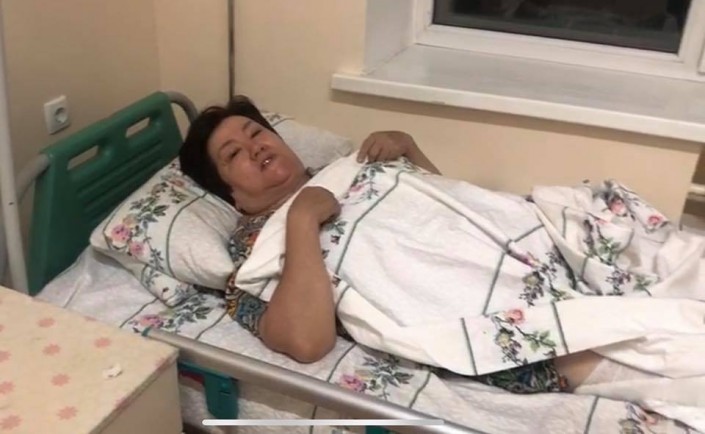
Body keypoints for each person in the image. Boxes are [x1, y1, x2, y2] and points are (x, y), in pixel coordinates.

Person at [180, 96, 603, 394]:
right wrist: (301, 220)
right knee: (597, 344)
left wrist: (409, 149)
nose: (254, 147)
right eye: (233, 154)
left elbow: (451, 210)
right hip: (480, 308)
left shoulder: (348, 166)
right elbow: (305, 342)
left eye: (256, 132)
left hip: (531, 244)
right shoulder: (250, 254)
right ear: (229, 193)